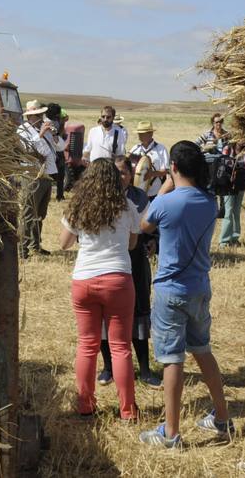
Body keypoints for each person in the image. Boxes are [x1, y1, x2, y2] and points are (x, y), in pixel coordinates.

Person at [138, 141, 234, 449]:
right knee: (203, 350)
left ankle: (171, 432)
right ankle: (222, 417)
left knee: (171, 359)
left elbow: (143, 224)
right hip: (199, 288)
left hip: (170, 290)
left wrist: (165, 186)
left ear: (174, 168)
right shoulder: (209, 202)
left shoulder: (167, 202)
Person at [59, 158, 141, 421]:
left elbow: (64, 244)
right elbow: (132, 244)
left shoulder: (78, 206)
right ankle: (127, 409)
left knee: (87, 345)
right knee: (120, 347)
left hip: (84, 279)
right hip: (117, 279)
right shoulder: (127, 206)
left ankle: (85, 405)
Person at [98, 155, 161, 389]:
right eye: (115, 172)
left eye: (124, 173)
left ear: (130, 174)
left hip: (135, 263)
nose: (119, 177)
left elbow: (151, 226)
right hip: (108, 266)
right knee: (106, 317)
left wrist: (153, 241)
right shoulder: (99, 198)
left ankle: (144, 369)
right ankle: (108, 367)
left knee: (139, 312)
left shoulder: (139, 197)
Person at [17, 99, 60, 258]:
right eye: (38, 115)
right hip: (32, 176)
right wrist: (41, 134)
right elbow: (27, 148)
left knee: (40, 213)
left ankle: (35, 245)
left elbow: (59, 147)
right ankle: (22, 249)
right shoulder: (23, 130)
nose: (42, 117)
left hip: (46, 174)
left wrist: (53, 134)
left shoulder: (43, 129)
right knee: (28, 214)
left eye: (41, 114)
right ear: (31, 116)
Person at [214, 135, 245, 247]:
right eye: (240, 137)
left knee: (236, 211)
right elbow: (222, 164)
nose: (242, 140)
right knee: (228, 211)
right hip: (228, 183)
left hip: (241, 182)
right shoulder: (228, 149)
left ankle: (234, 238)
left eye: (244, 138)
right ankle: (224, 240)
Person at [131, 121, 170, 199]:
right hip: (137, 193)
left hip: (155, 192)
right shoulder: (134, 149)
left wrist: (151, 174)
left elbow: (165, 171)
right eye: (139, 133)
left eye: (142, 133)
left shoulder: (161, 149)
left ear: (150, 133)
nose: (140, 136)